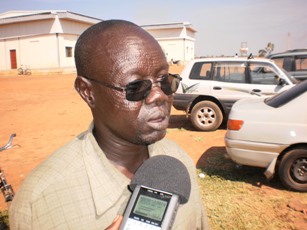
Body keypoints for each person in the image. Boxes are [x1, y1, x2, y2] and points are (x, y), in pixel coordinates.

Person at [9, 19, 209, 229]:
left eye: (164, 80)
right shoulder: (40, 201)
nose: (159, 96)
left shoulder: (179, 163)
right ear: (88, 92)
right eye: (137, 86)